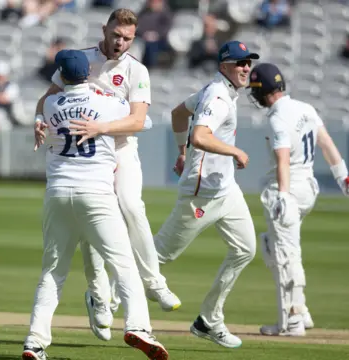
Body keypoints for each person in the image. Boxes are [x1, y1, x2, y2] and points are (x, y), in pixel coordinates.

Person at [32, 8, 180, 342]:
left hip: (121, 146)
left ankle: (154, 282)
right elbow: (46, 99)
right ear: (105, 29)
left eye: (127, 38)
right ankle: (99, 296)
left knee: (130, 206)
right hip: (88, 154)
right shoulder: (81, 60)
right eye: (116, 35)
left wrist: (103, 127)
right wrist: (39, 121)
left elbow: (138, 121)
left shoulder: (136, 70)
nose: (121, 42)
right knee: (90, 224)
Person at [247, 62, 349, 336]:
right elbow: (326, 144)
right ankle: (300, 310)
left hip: (288, 189)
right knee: (274, 247)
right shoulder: (306, 108)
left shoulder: (277, 119)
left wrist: (284, 195)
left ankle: (292, 321)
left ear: (261, 92)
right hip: (308, 188)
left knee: (285, 254)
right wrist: (344, 178)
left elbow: (283, 159)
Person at [154, 40, 258, 349]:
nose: (246, 68)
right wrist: (234, 151)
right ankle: (105, 297)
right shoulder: (217, 95)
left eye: (248, 62)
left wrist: (180, 151)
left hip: (226, 190)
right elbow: (200, 136)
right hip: (201, 194)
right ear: (224, 66)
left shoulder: (218, 90)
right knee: (159, 255)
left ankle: (209, 320)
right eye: (240, 63)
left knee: (245, 249)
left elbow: (178, 113)